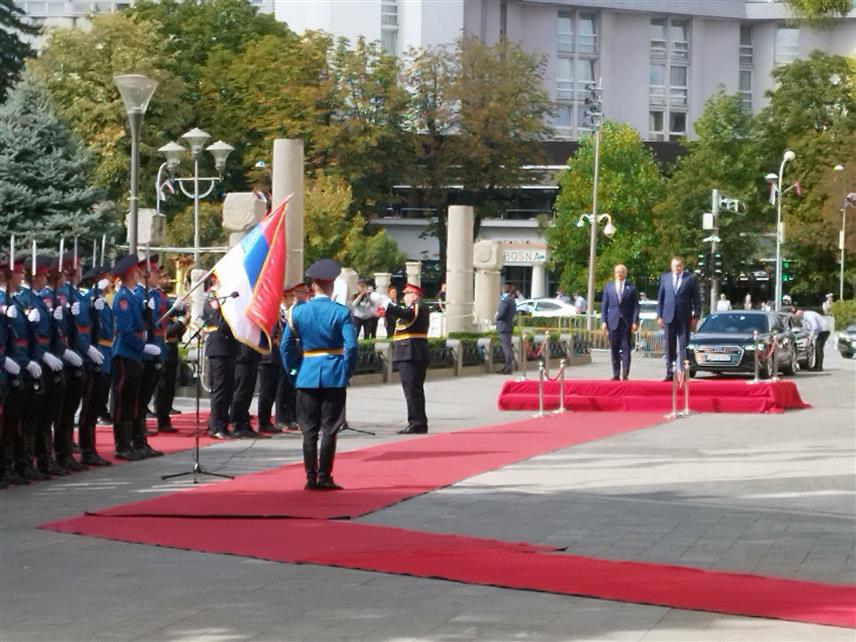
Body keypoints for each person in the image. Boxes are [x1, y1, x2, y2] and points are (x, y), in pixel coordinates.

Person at [281, 259, 357, 490]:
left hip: (306, 374)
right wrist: (346, 371)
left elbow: (285, 348)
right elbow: (351, 347)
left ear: (313, 286)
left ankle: (310, 477)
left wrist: (294, 372)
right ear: (332, 285)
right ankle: (325, 476)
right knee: (330, 429)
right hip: (334, 375)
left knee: (309, 429)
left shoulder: (298, 312)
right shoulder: (341, 312)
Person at [111, 254, 159, 460]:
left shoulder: (133, 296)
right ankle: (122, 444)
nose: (142, 272)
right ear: (131, 273)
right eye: (138, 270)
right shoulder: (122, 298)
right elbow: (127, 329)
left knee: (133, 400)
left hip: (134, 355)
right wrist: (143, 345)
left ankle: (134, 441)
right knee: (123, 401)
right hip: (125, 353)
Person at [376, 283, 430, 434]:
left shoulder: (418, 306)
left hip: (412, 353)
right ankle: (418, 421)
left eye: (407, 294)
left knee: (412, 390)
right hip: (409, 353)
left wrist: (387, 303)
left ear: (415, 295)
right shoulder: (412, 308)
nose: (404, 297)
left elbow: (406, 315)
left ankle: (416, 422)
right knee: (413, 390)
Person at [202, 274, 239, 440]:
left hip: (229, 347)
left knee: (228, 388)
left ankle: (223, 423)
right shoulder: (213, 297)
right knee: (220, 389)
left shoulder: (225, 298)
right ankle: (216, 425)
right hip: (219, 346)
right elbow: (220, 323)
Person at [656, 255, 701, 380]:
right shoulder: (665, 278)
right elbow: (661, 298)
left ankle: (683, 372)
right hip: (668, 317)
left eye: (679, 265)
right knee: (669, 346)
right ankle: (670, 372)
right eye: (675, 265)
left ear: (682, 266)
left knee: (683, 346)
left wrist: (696, 317)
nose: (677, 267)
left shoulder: (690, 279)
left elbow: (697, 299)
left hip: (683, 318)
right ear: (671, 266)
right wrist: (659, 315)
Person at [600, 264, 640, 381]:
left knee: (626, 347)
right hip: (613, 321)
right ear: (614, 273)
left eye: (622, 272)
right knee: (614, 348)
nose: (619, 274)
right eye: (617, 272)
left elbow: (636, 306)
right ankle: (616, 373)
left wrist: (635, 321)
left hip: (626, 322)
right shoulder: (609, 287)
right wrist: (603, 321)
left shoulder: (631, 288)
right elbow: (604, 306)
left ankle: (625, 373)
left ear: (625, 273)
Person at [495, 282, 516, 375]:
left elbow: (501, 314)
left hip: (504, 326)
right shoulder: (512, 300)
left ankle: (508, 367)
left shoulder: (505, 300)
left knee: (506, 348)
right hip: (509, 326)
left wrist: (497, 317)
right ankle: (508, 366)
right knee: (508, 347)